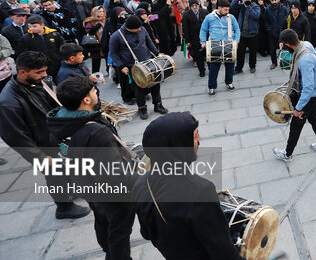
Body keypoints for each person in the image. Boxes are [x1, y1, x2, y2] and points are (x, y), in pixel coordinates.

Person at [132, 112, 244, 260]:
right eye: (195, 135)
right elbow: (224, 254)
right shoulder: (200, 192)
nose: (200, 139)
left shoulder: (140, 184)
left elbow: (146, 233)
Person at [47, 76, 135, 260]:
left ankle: (107, 250)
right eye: (94, 91)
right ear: (86, 100)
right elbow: (114, 175)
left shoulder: (58, 120)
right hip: (111, 192)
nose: (97, 93)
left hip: (85, 184)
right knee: (119, 230)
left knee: (101, 219)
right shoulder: (95, 132)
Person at [0, 52, 91, 219]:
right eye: (39, 72)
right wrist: (39, 157)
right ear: (22, 72)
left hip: (54, 137)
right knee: (54, 175)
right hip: (41, 145)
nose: (45, 75)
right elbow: (15, 136)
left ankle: (69, 191)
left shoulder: (36, 82)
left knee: (65, 170)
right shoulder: (8, 102)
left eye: (44, 71)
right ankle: (64, 207)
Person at [273, 29, 316, 161]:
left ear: (287, 44)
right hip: (315, 92)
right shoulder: (306, 44)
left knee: (296, 125)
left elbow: (308, 88)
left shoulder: (305, 59)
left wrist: (298, 108)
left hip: (310, 95)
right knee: (314, 118)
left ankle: (287, 154)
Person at [109, 15, 169, 120]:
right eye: (137, 28)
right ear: (129, 28)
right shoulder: (117, 36)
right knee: (138, 87)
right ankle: (142, 108)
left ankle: (158, 104)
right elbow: (113, 53)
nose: (140, 29)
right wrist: (121, 66)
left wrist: (157, 53)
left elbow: (149, 42)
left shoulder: (142, 29)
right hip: (132, 65)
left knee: (156, 83)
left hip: (148, 61)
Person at [200, 0, 240, 97]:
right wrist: (203, 42)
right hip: (215, 45)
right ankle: (212, 87)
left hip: (229, 44)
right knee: (214, 68)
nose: (227, 12)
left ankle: (229, 82)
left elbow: (237, 29)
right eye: (225, 10)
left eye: (228, 10)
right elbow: (203, 30)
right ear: (219, 8)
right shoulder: (209, 17)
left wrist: (236, 41)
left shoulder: (231, 17)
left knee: (230, 66)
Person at [232, 0, 260, 74]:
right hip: (242, 34)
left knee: (253, 52)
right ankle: (239, 68)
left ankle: (252, 66)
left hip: (252, 34)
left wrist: (248, 7)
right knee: (240, 52)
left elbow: (256, 16)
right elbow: (232, 5)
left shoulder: (255, 6)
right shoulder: (241, 6)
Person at [182, 0, 208, 77]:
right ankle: (201, 70)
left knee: (208, 54)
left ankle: (211, 68)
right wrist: (188, 40)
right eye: (192, 5)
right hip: (194, 38)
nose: (194, 7)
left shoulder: (204, 12)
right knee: (198, 55)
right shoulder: (187, 14)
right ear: (190, 6)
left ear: (198, 4)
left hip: (205, 37)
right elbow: (185, 28)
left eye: (196, 5)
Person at [264, 0, 289, 69]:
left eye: (275, 0)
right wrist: (268, 29)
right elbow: (266, 20)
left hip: (282, 32)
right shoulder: (268, 9)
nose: (274, 2)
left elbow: (287, 18)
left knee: (284, 48)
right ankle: (274, 62)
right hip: (272, 32)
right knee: (272, 49)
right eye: (272, 0)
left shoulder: (284, 8)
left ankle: (284, 61)